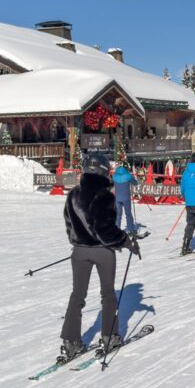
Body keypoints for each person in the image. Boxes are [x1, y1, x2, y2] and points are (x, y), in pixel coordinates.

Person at [59, 153, 142, 361]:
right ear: (104, 171)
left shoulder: (73, 194)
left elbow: (69, 224)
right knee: (108, 294)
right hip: (102, 252)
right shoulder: (104, 196)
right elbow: (105, 231)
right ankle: (110, 336)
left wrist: (79, 241)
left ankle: (71, 341)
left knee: (77, 295)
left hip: (79, 252)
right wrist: (125, 240)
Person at [112, 162, 140, 234]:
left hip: (117, 198)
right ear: (126, 168)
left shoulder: (114, 176)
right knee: (128, 214)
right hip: (126, 198)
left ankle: (116, 230)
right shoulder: (128, 175)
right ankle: (130, 229)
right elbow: (135, 183)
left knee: (118, 214)